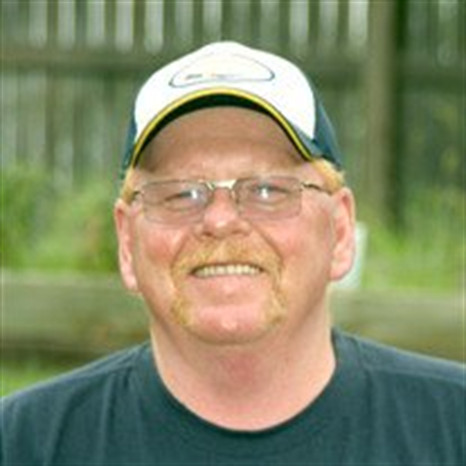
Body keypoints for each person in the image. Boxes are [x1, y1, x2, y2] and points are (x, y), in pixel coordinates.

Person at [1, 42, 464, 465]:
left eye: (268, 190)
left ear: (340, 232)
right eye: (180, 194)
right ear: (126, 242)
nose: (220, 220)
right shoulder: (26, 444)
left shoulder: (452, 430)